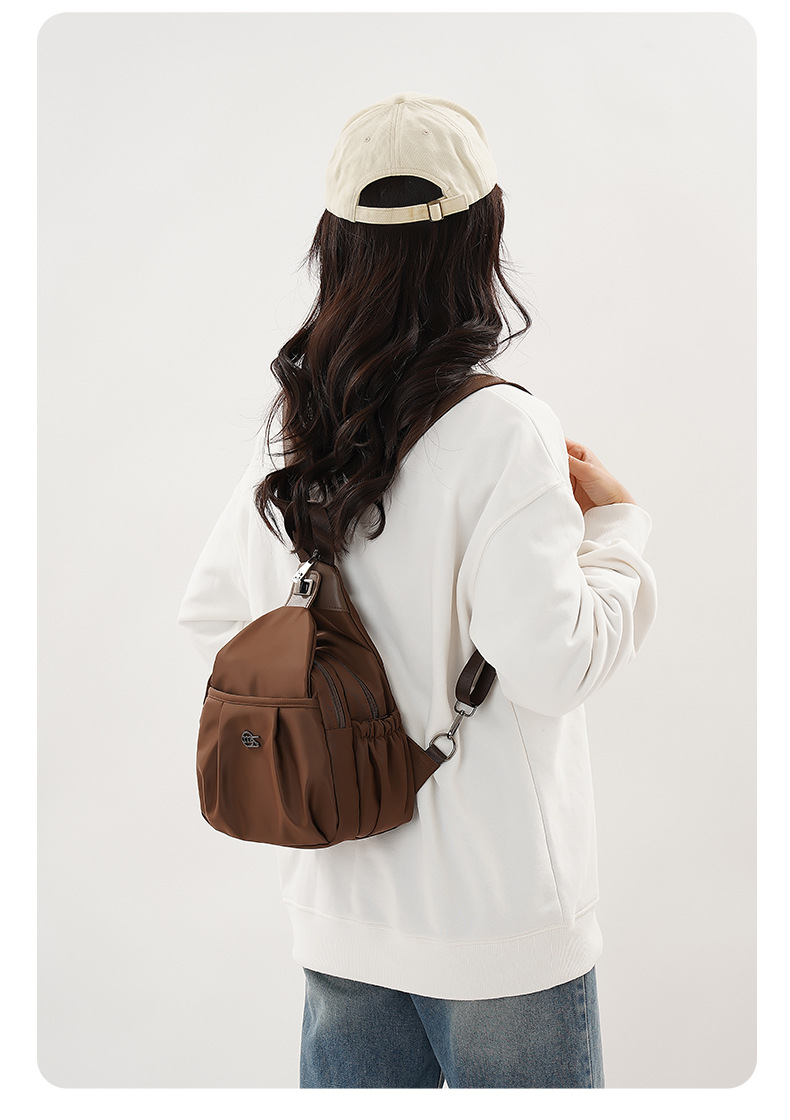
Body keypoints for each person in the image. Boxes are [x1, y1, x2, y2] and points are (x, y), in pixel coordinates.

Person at [177, 91, 658, 1089]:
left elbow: (215, 617)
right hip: (497, 927)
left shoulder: (300, 419)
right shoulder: (504, 430)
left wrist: (334, 717)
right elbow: (556, 665)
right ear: (480, 236)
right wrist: (617, 534)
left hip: (337, 905)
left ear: (337, 241)